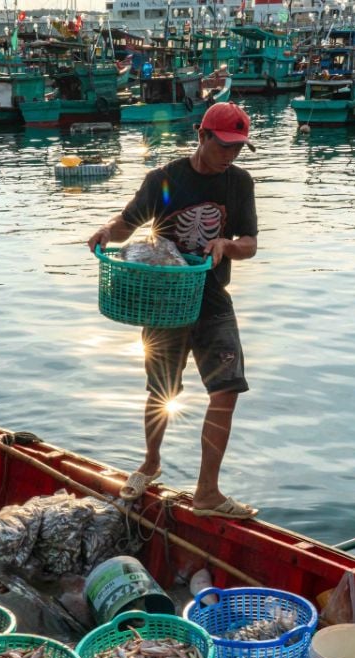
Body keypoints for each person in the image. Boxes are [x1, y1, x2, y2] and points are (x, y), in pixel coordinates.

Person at [86, 102, 259, 520]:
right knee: (161, 390)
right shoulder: (164, 180)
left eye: (238, 149)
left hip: (213, 298)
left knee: (227, 389)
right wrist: (108, 232)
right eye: (224, 147)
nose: (230, 156)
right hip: (163, 300)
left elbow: (250, 243)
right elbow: (128, 223)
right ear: (202, 137)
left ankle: (208, 493)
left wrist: (226, 246)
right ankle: (150, 462)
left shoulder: (239, 183)